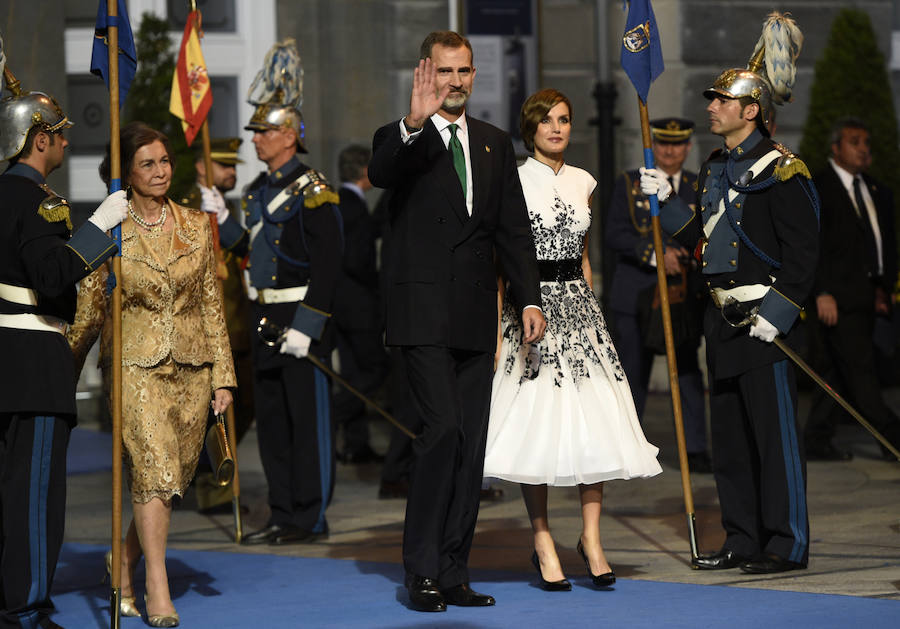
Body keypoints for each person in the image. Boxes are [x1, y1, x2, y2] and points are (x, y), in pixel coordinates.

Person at [368, 30, 546, 612]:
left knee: (471, 445)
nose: (455, 82)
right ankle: (420, 569)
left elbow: (513, 232)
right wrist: (413, 125)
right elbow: (384, 171)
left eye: (464, 71)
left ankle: (452, 569)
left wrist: (528, 299)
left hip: (475, 315)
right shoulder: (403, 139)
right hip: (421, 315)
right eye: (445, 71)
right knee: (441, 430)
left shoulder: (494, 144)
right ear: (426, 72)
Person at [640, 12, 818, 574]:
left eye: (721, 100)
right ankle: (742, 538)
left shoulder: (784, 170)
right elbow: (703, 238)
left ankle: (785, 544)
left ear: (750, 111)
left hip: (766, 325)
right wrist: (664, 202)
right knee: (733, 444)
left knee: (775, 442)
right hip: (723, 324)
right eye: (713, 99)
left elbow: (803, 254)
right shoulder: (717, 167)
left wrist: (780, 312)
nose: (711, 107)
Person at [484, 88, 661, 592]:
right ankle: (542, 539)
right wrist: (500, 328)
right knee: (536, 426)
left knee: (595, 422)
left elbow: (583, 254)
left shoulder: (585, 181)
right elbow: (502, 264)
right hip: (530, 310)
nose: (557, 128)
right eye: (547, 121)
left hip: (581, 311)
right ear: (530, 129)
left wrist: (593, 309)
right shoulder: (513, 180)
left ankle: (591, 538)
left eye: (564, 119)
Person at [66, 121, 235, 626]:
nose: (160, 171)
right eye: (147, 164)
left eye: (164, 161)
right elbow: (91, 306)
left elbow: (211, 305)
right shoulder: (111, 227)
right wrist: (64, 365)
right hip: (135, 367)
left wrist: (223, 375)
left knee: (173, 479)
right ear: (126, 174)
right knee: (155, 473)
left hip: (192, 367)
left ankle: (123, 558)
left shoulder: (195, 224)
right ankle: (155, 587)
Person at [0, 88, 127, 629]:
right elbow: (52, 276)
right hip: (33, 361)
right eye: (60, 134)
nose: (67, 142)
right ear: (39, 140)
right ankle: (25, 608)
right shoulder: (38, 201)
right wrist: (98, 228)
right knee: (32, 498)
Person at [212, 39, 344, 546]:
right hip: (264, 316)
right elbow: (253, 251)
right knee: (272, 427)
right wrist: (222, 220)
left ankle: (310, 516)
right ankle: (283, 511)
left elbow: (329, 268)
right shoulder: (255, 194)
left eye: (264, 132)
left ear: (289, 136)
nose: (256, 140)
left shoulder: (314, 190)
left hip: (299, 316)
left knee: (306, 425)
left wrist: (307, 329)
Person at [605, 117, 711, 472]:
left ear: (687, 147)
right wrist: (653, 252)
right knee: (632, 373)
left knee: (687, 372)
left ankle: (695, 448)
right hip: (636, 293)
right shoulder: (630, 183)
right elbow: (615, 234)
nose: (669, 151)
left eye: (677, 144)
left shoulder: (699, 185)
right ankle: (625, 448)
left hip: (681, 296)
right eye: (663, 143)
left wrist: (684, 255)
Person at [805, 117, 900, 460]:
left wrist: (882, 289)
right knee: (861, 373)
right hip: (835, 299)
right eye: (854, 141)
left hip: (868, 298)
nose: (863, 149)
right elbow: (810, 245)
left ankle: (816, 438)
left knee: (837, 370)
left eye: (866, 143)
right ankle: (893, 439)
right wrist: (821, 291)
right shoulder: (817, 186)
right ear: (836, 147)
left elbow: (881, 245)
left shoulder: (877, 190)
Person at [179, 137, 256, 513]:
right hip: (209, 330)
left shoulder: (226, 208)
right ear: (200, 166)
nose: (232, 172)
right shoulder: (189, 209)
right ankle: (212, 486)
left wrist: (224, 222)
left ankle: (209, 474)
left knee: (245, 407)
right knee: (214, 414)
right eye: (224, 164)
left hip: (237, 324)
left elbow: (247, 249)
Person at [332, 144, 389, 464]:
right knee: (375, 368)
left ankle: (356, 443)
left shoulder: (339, 203)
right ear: (365, 172)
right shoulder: (353, 206)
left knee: (353, 371)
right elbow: (357, 260)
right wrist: (377, 282)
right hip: (359, 307)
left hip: (341, 307)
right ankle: (336, 412)